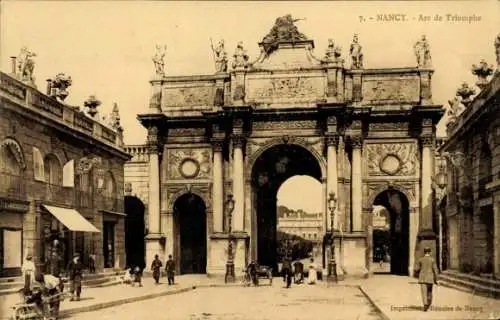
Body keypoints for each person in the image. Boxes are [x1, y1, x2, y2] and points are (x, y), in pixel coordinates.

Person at [415, 247, 439, 312]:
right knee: (429, 292)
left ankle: (425, 304)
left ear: (424, 252)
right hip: (430, 278)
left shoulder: (420, 260)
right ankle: (429, 303)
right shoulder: (432, 260)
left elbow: (416, 269)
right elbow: (435, 270)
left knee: (424, 292)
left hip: (422, 278)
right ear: (430, 252)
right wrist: (437, 279)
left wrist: (418, 271)